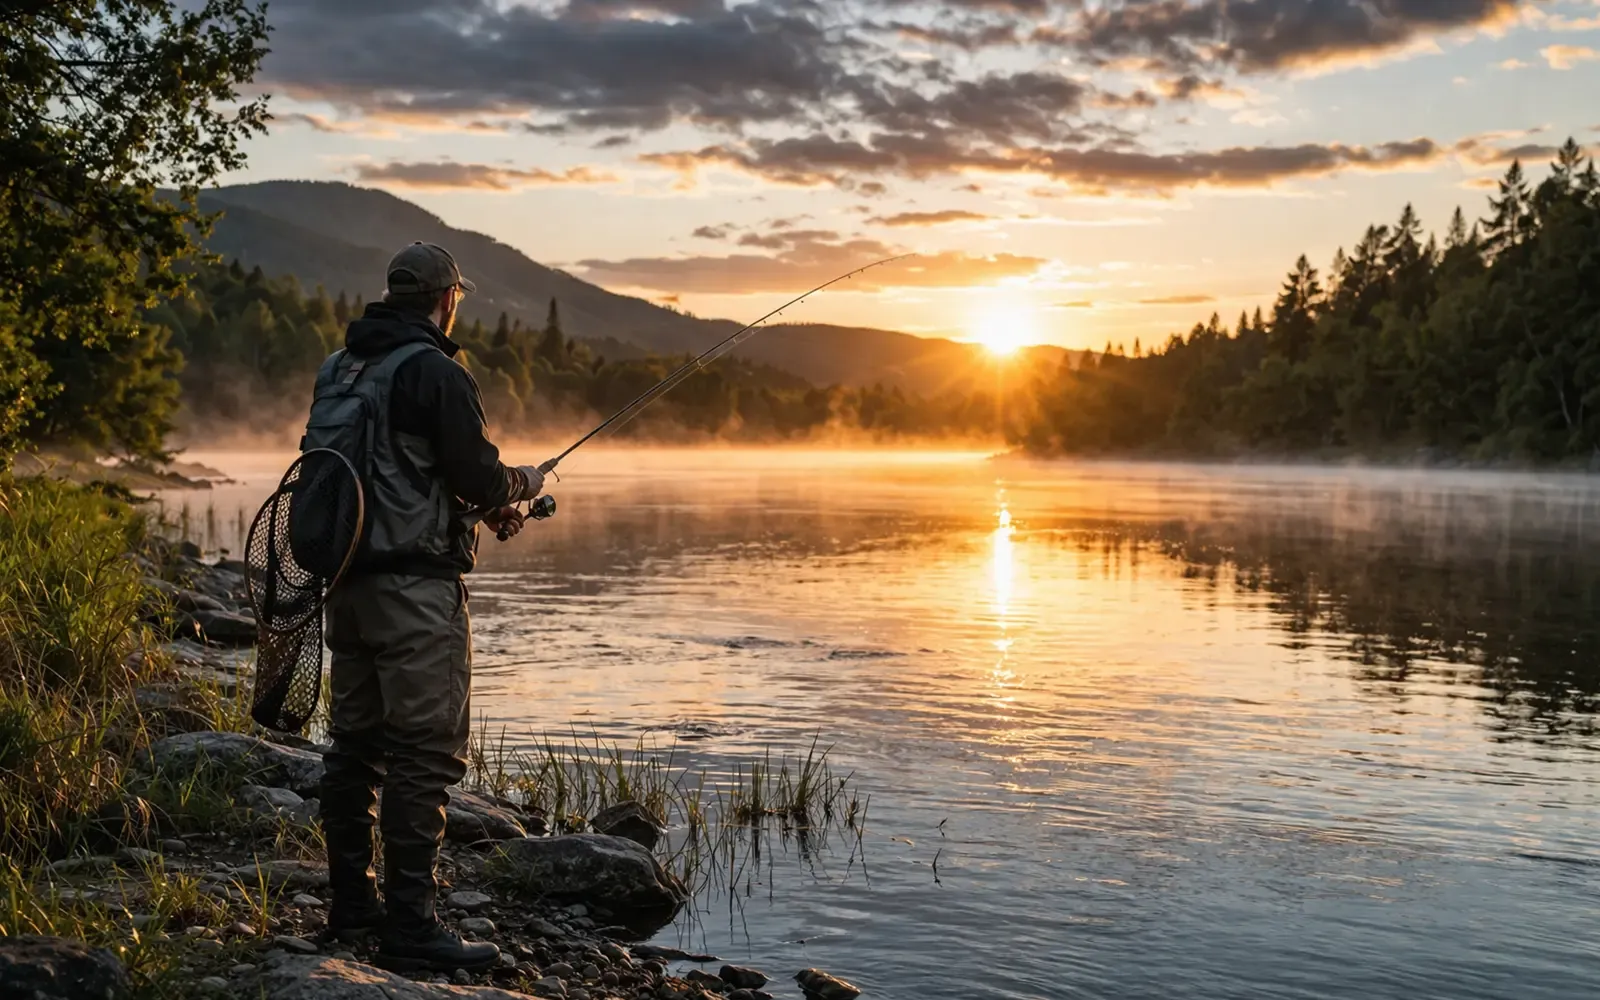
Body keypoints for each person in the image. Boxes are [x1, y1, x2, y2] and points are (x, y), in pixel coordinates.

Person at [313, 242, 545, 972]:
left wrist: (472, 510)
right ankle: (410, 927)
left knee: (355, 748)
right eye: (458, 300)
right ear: (447, 298)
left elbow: (395, 476)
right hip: (414, 596)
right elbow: (477, 473)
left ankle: (352, 905)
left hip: (344, 588)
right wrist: (523, 484)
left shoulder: (340, 369)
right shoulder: (437, 372)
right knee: (424, 754)